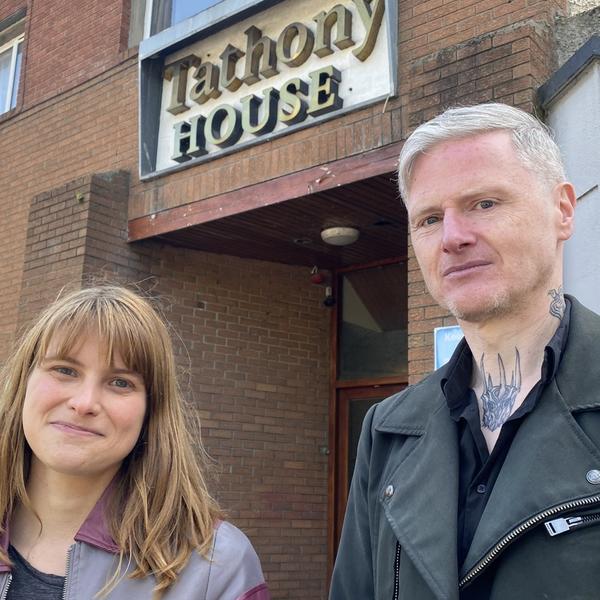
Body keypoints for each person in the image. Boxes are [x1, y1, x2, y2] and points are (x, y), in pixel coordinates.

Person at [329, 103, 600, 600]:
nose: (452, 237)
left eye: (485, 204)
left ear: (563, 210)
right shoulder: (388, 429)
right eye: (429, 219)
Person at [0, 285, 270, 599]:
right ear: (23, 384)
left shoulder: (217, 567)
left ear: (150, 412)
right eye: (65, 370)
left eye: (120, 382)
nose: (85, 402)